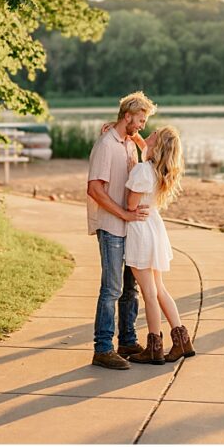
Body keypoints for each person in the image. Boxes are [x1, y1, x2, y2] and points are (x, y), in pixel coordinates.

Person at [86, 91, 157, 370]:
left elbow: (147, 148)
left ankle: (127, 340)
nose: (142, 125)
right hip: (112, 226)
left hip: (129, 228)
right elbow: (94, 189)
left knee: (131, 288)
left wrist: (133, 134)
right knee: (112, 288)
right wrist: (125, 213)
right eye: (140, 119)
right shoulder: (107, 144)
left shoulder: (128, 141)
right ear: (127, 116)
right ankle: (102, 348)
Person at [123, 125, 197, 365]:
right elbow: (147, 149)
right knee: (159, 289)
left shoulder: (143, 170)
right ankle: (182, 340)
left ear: (157, 143)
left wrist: (129, 203)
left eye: (153, 133)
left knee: (149, 293)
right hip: (154, 228)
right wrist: (134, 136)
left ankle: (154, 346)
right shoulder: (158, 169)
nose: (149, 133)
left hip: (140, 230)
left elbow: (131, 204)